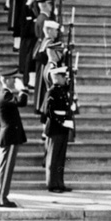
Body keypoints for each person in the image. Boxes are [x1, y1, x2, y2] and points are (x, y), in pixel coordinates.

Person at [0, 75, 28, 208]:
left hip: (6, 135)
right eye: (13, 79)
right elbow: (21, 102)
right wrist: (23, 89)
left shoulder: (1, 94)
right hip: (10, 136)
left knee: (3, 168)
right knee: (6, 169)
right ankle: (2, 198)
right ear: (6, 80)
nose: (15, 81)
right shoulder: (5, 95)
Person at [42, 65, 77, 193]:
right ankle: (52, 184)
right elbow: (47, 112)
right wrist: (62, 121)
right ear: (56, 77)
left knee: (60, 158)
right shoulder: (51, 91)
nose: (65, 79)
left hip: (62, 127)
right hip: (55, 127)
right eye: (63, 77)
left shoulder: (62, 90)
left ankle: (59, 183)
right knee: (53, 158)